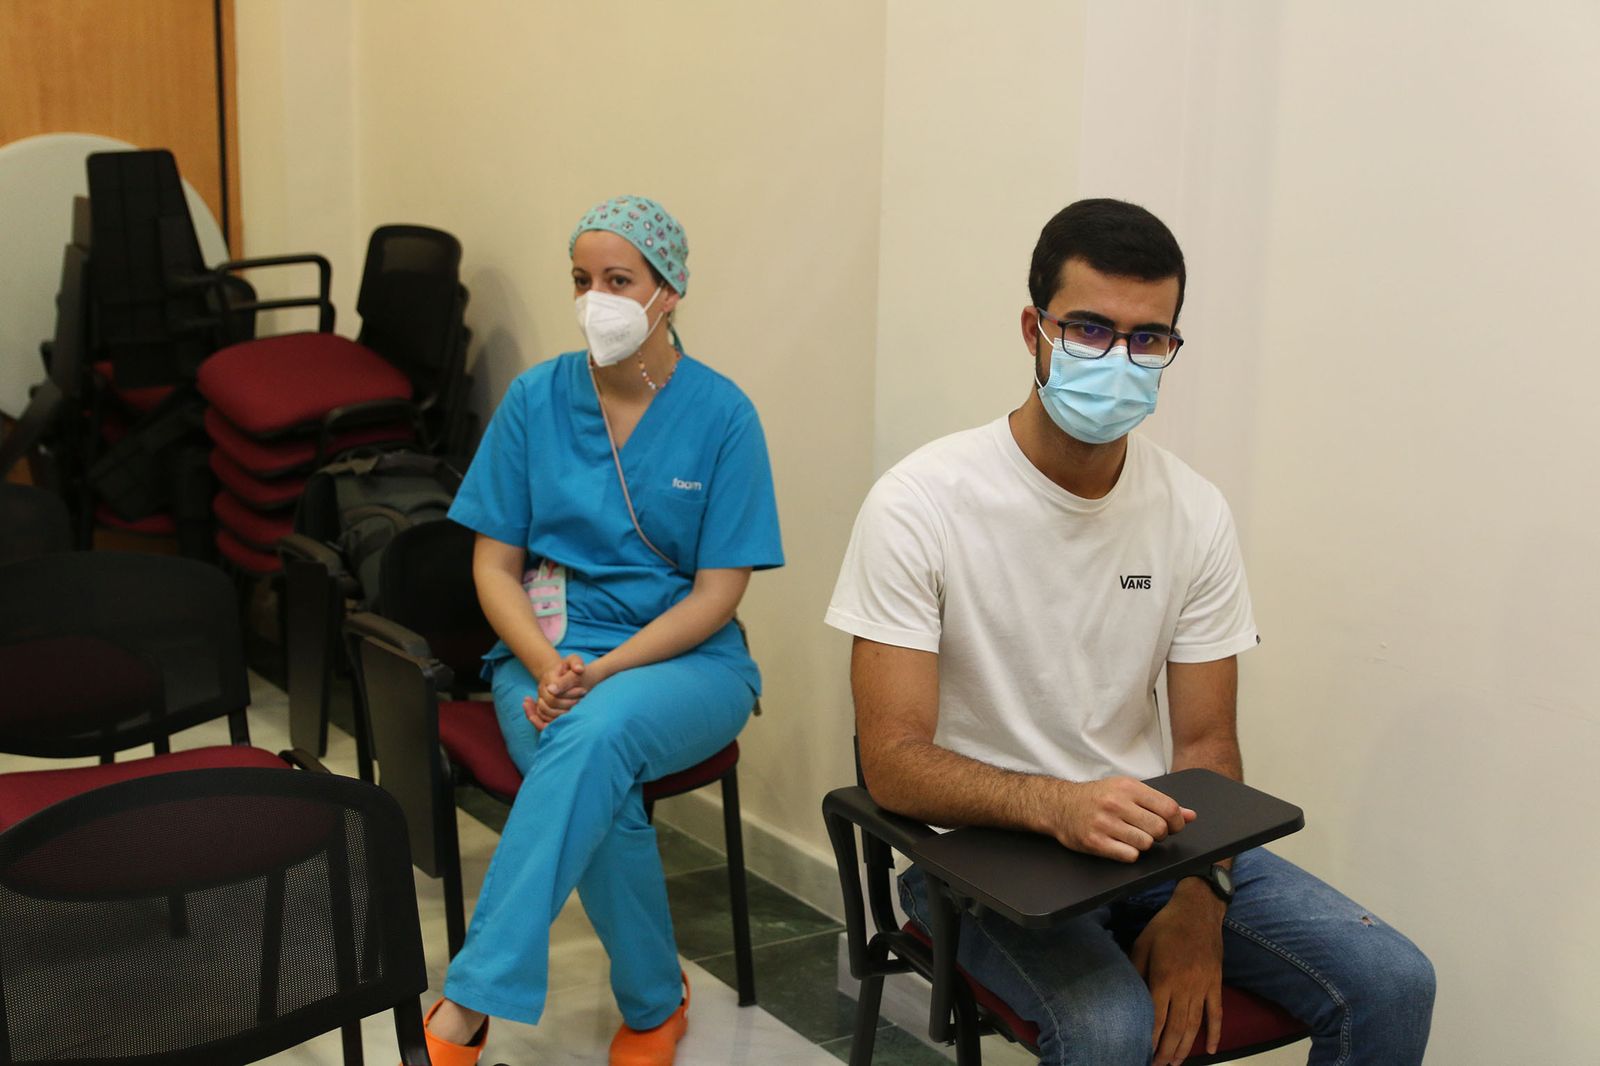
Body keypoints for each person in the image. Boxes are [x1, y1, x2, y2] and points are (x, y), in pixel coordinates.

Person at [825, 199, 1434, 1065]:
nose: (1119, 359)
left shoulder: (1191, 511)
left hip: (1156, 837)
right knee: (1110, 1028)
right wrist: (1058, 805)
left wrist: (1200, 898)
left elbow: (1207, 742)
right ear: (1034, 330)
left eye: (1148, 339)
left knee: (1393, 981)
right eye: (1089, 329)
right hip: (980, 855)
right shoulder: (921, 504)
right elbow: (892, 761)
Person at [422, 195, 783, 1066]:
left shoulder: (723, 416)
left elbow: (715, 597)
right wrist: (548, 662)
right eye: (582, 280)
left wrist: (605, 668)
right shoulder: (535, 400)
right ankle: (658, 1001)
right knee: (595, 766)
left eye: (619, 279)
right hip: (540, 658)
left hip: (683, 663)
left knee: (593, 730)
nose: (597, 299)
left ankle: (469, 1000)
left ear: (670, 290)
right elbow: (492, 567)